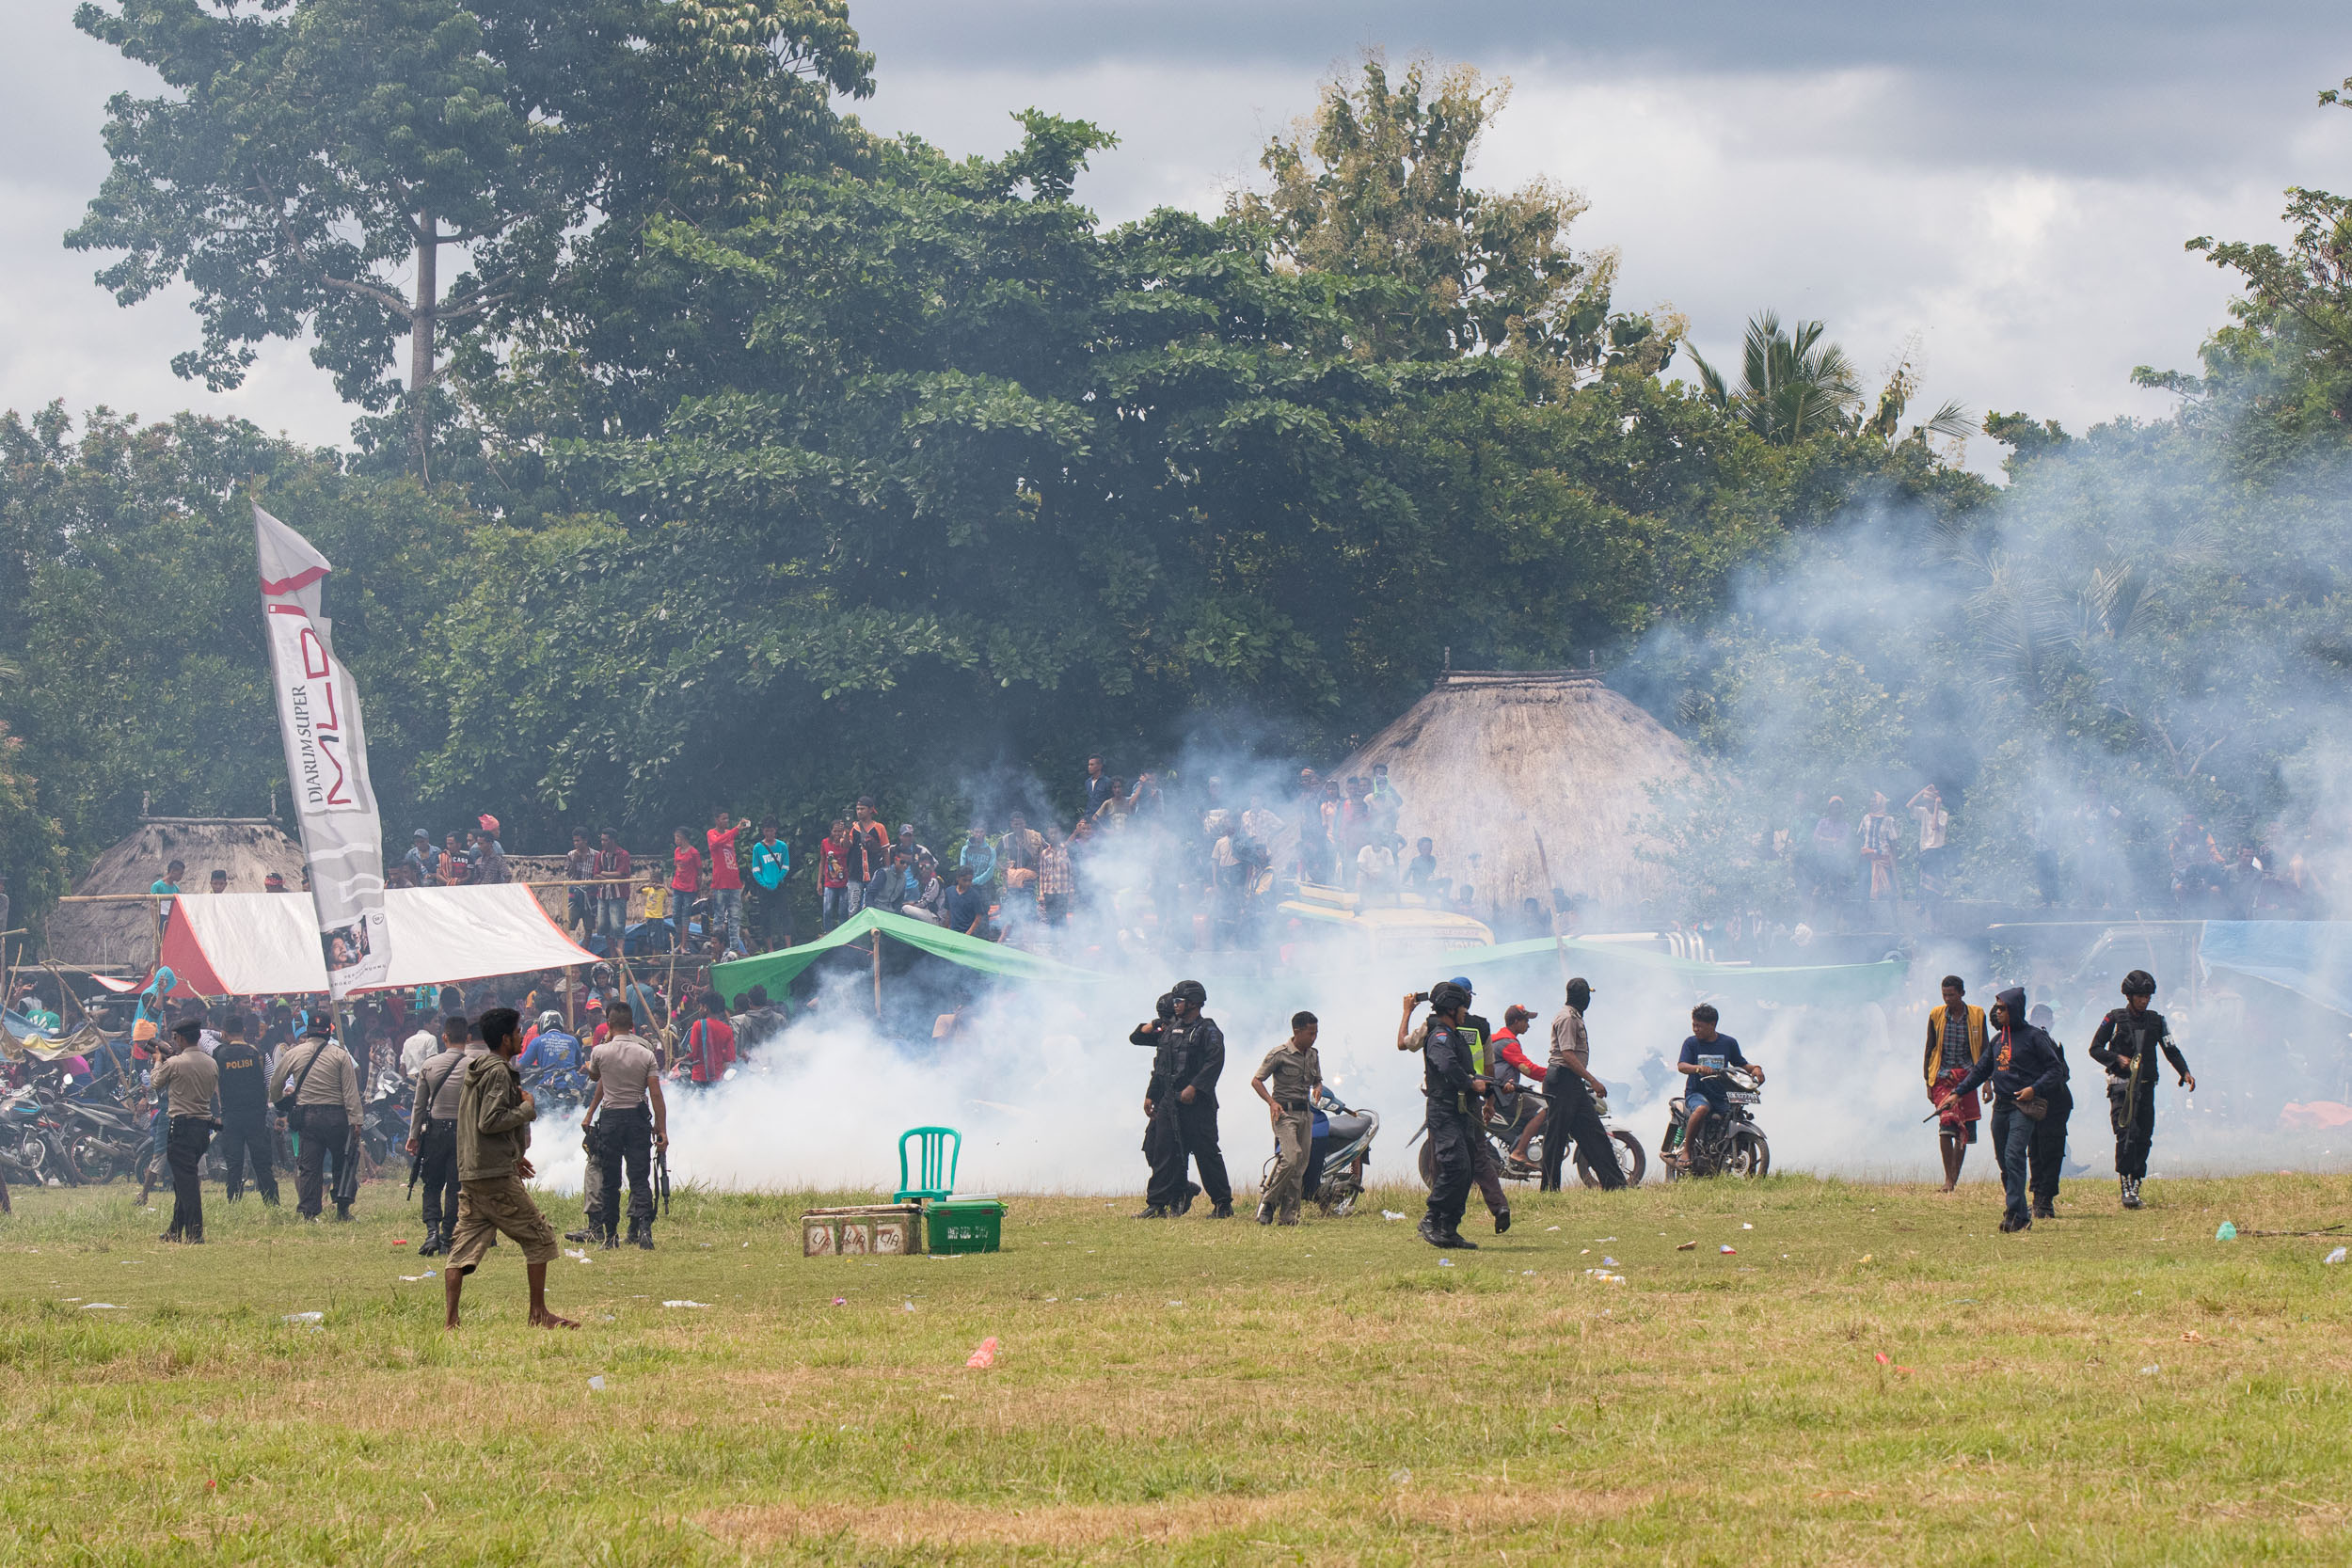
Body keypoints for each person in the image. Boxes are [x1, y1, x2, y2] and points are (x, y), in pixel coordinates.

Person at [442, 1006, 575, 1331]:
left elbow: (477, 1125)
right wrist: (527, 1109)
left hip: (473, 1172)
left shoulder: (477, 1067)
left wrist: (513, 1153)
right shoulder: (499, 1072)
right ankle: (538, 1313)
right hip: (494, 1177)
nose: (521, 1037)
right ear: (505, 1039)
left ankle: (450, 1320)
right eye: (517, 1033)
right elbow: (490, 1122)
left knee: (461, 1248)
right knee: (540, 1237)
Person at [1950, 987, 2066, 1232]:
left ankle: (2014, 1212)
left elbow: (2055, 1070)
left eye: (2002, 1008)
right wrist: (1957, 1093)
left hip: (2022, 1107)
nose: (1997, 1012)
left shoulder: (2035, 1037)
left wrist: (2034, 1089)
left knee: (2014, 1155)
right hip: (2000, 1107)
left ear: (2013, 1010)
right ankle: (2020, 1214)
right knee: (2004, 1160)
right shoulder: (1997, 1040)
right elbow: (1981, 1070)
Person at [2088, 970, 2196, 1211]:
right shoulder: (2113, 1019)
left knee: (2144, 1137)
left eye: (2147, 996)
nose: (2144, 1000)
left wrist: (2184, 1072)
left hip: (2146, 1087)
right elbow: (2095, 1049)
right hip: (2121, 1088)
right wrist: (2117, 1058)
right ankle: (2125, 1184)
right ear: (2129, 996)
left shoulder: (2157, 1021)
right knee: (2126, 1135)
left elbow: (2171, 1049)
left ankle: (2136, 1184)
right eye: (2139, 996)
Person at [1130, 979, 1232, 1219]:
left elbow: (1214, 1063)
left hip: (1198, 1105)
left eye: (1179, 1001)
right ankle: (1157, 1205)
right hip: (1169, 1100)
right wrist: (1151, 1095)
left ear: (1194, 1003)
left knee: (1206, 1153)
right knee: (1163, 1151)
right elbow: (1159, 1064)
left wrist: (1194, 1087)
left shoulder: (1208, 1030)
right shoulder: (1170, 1031)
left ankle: (1222, 1204)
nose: (1175, 1005)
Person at [578, 1003, 668, 1249]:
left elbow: (595, 1077)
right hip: (638, 1119)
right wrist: (662, 1129)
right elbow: (656, 1094)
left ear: (608, 1024)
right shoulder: (646, 1054)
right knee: (640, 1178)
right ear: (632, 1026)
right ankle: (645, 1232)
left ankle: (610, 1237)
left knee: (610, 1180)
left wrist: (604, 1044)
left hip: (611, 1120)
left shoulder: (600, 1052)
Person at [1415, 980, 1487, 1249]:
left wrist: (1488, 1085)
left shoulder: (1453, 1033)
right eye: (1461, 1007)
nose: (1465, 1011)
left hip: (1460, 1112)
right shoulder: (1440, 1036)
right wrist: (1470, 1084)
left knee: (1466, 1170)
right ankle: (1432, 1219)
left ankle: (1449, 1228)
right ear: (1451, 1007)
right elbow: (1445, 1064)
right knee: (1455, 1166)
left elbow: (1466, 1070)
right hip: (1444, 1110)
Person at [268, 1016, 362, 1221]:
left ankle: (309, 1213)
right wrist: (356, 1120)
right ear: (329, 1031)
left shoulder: (293, 1053)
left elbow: (275, 1083)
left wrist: (280, 1102)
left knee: (309, 1167)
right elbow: (350, 1091)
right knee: (342, 1164)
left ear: (308, 1031)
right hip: (337, 1117)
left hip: (308, 1118)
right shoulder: (340, 1055)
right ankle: (343, 1211)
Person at [407, 1015, 481, 1257]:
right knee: (455, 1186)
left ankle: (431, 1232)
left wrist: (413, 1135)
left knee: (431, 1184)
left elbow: (419, 1106)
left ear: (444, 1037)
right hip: (463, 1132)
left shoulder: (429, 1065)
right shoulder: (475, 1065)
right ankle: (447, 1235)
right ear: (468, 1038)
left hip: (435, 1132)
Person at [1542, 978, 1624, 1191]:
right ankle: (1549, 1188)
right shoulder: (1568, 1018)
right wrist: (1593, 1080)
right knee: (1556, 1137)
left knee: (1593, 1132)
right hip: (1562, 1080)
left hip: (1571, 1082)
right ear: (1581, 997)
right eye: (1587, 996)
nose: (1589, 1000)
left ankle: (1614, 1183)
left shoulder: (1573, 1016)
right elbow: (1567, 1054)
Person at [1250, 1011, 1323, 1226]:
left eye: (1316, 1033)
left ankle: (1289, 1216)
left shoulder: (1313, 1054)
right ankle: (1269, 1202)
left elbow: (1317, 1079)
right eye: (1310, 1033)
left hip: (1306, 1114)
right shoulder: (1279, 1054)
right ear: (1297, 1031)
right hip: (1284, 1114)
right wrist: (1272, 1102)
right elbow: (1256, 1080)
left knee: (1299, 1166)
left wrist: (1317, 1088)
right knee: (1290, 1157)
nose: (1314, 1037)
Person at [1674, 1005, 1764, 1171]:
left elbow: (1741, 1063)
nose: (1695, 1029)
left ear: (1712, 1024)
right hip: (1697, 1093)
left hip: (1721, 1095)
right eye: (1694, 1025)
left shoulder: (1728, 1043)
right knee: (1701, 1109)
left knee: (1735, 1114)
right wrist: (1698, 1068)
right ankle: (1686, 1151)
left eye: (1699, 1026)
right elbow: (1681, 1066)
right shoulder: (1691, 1043)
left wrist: (1756, 1069)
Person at [153, 1021, 219, 1243]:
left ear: (181, 1039)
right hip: (202, 1128)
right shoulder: (212, 1063)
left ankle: (194, 1233)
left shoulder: (175, 1063)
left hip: (181, 1127)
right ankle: (174, 1230)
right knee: (183, 1181)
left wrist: (157, 1062)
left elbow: (155, 1082)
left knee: (187, 1185)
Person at [1922, 975, 1987, 1192]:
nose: (1947, 999)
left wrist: (1987, 1082)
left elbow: (1986, 1050)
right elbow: (1930, 1048)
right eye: (1944, 995)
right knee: (1947, 1123)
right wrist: (1927, 1082)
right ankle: (1948, 1178)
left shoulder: (1977, 1015)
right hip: (1943, 1076)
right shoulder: (1936, 1015)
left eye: (1951, 995)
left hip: (1969, 1076)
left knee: (1964, 1128)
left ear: (1962, 994)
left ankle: (1953, 1179)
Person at [213, 1012, 278, 1206]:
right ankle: (272, 1203)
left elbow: (215, 1084)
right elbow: (271, 1083)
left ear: (224, 1033)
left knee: (234, 1163)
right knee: (262, 1163)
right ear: (243, 1030)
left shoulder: (219, 1055)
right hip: (256, 1115)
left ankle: (234, 1203)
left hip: (231, 1116)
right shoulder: (259, 1053)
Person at [2026, 1001, 2073, 1220]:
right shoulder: (2029, 1041)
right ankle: (2038, 1198)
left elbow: (2062, 1073)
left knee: (2051, 1152)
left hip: (2054, 1105)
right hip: (2035, 1104)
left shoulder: (2050, 1042)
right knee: (2035, 1151)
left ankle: (2045, 1200)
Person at [1488, 1005, 1549, 1170]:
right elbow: (1528, 1068)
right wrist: (1554, 1074)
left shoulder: (1496, 1039)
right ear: (1516, 1021)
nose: (1528, 1025)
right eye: (1526, 1020)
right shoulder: (1507, 1043)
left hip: (1496, 1092)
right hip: (1504, 1095)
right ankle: (1519, 1151)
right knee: (1542, 1111)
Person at [707, 807, 746, 955]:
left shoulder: (729, 835)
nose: (726, 821)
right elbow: (717, 843)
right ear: (716, 820)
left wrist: (733, 832)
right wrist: (735, 830)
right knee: (719, 917)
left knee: (735, 917)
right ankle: (716, 949)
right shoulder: (711, 833)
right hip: (720, 883)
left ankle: (734, 949)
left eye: (727, 819)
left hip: (734, 882)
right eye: (723, 818)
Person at [748, 816, 791, 948]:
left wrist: (778, 879)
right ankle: (770, 948)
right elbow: (755, 869)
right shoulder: (758, 848)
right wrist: (764, 883)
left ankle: (788, 945)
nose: (769, 834)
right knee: (765, 917)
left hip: (779, 885)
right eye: (767, 831)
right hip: (764, 887)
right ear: (763, 831)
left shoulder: (782, 846)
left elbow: (786, 866)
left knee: (784, 914)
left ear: (775, 831)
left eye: (771, 831)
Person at [683, 990, 736, 1085]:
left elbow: (692, 1053)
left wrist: (681, 1059)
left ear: (705, 1008)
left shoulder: (698, 1025)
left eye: (700, 1006)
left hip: (699, 1077)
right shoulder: (727, 1030)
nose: (699, 1009)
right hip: (718, 1079)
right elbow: (729, 1058)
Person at [594, 830, 633, 943]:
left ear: (612, 840)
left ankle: (619, 956)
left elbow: (621, 874)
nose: (602, 842)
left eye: (605, 840)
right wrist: (606, 876)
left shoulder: (623, 855)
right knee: (603, 926)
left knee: (617, 926)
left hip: (618, 894)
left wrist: (604, 873)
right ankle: (612, 956)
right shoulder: (600, 855)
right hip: (602, 894)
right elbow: (596, 874)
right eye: (601, 840)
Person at [670, 826, 704, 944]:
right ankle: (680, 939)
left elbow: (699, 870)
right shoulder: (677, 851)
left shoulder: (694, 853)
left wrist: (698, 887)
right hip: (677, 886)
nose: (675, 840)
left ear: (681, 837)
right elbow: (677, 868)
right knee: (675, 915)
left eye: (676, 837)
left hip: (689, 888)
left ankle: (684, 944)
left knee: (685, 915)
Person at [944, 864, 994, 940]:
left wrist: (968, 933)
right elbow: (948, 913)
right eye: (964, 880)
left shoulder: (974, 895)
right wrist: (946, 929)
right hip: (953, 933)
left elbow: (978, 917)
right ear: (958, 878)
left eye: (970, 880)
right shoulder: (949, 891)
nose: (967, 883)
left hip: (968, 935)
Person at [818, 818, 851, 930]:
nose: (837, 834)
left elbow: (848, 846)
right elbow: (822, 861)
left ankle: (842, 936)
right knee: (827, 910)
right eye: (835, 831)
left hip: (844, 882)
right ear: (830, 831)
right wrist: (819, 882)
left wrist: (847, 832)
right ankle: (828, 933)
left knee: (843, 911)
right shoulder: (825, 843)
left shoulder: (845, 842)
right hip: (829, 882)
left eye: (839, 831)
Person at [151, 859, 184, 932]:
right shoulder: (157, 886)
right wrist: (156, 924)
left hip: (173, 919)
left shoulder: (176, 889)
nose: (181, 876)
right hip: (161, 919)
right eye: (180, 873)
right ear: (172, 872)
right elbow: (152, 906)